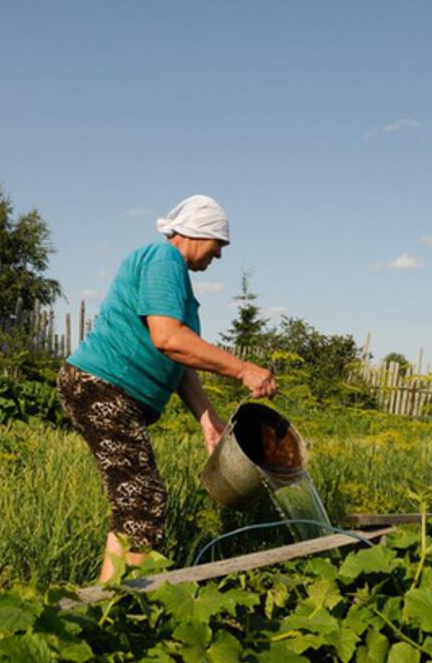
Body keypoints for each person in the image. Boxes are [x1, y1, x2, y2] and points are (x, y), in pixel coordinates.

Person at [58, 195, 277, 582]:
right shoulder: (165, 260)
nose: (219, 256)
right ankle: (115, 612)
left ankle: (111, 602)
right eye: (219, 244)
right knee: (142, 502)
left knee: (137, 499)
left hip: (108, 390)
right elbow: (168, 339)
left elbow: (180, 359)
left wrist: (208, 421)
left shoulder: (172, 274)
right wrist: (243, 370)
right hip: (103, 386)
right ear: (200, 233)